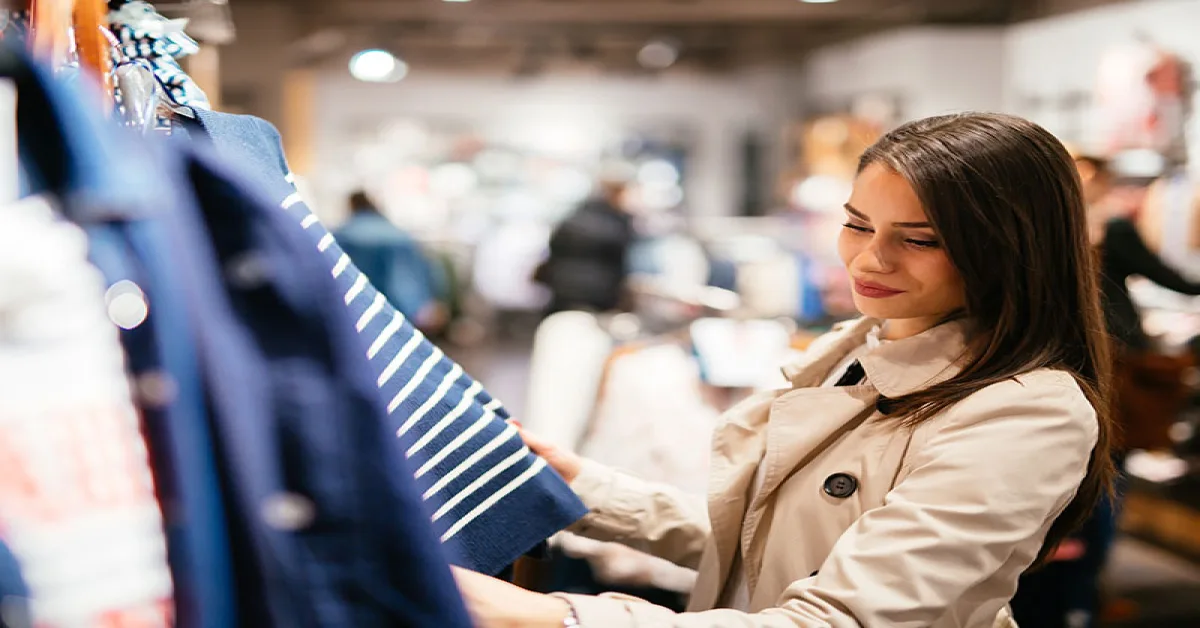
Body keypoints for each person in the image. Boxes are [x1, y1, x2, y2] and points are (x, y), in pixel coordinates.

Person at [453, 113, 1115, 627]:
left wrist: (556, 615)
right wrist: (583, 488)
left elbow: (841, 618)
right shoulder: (853, 352)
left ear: (1008, 248)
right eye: (858, 224)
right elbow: (767, 544)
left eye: (918, 239)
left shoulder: (1026, 411)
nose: (870, 260)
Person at [333, 190, 447, 333]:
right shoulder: (400, 235)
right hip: (401, 314)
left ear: (351, 205)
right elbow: (422, 275)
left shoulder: (342, 236)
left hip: (358, 315)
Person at [537, 173, 636, 314]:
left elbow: (554, 245)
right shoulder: (616, 224)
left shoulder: (575, 215)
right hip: (599, 292)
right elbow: (620, 260)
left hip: (563, 286)